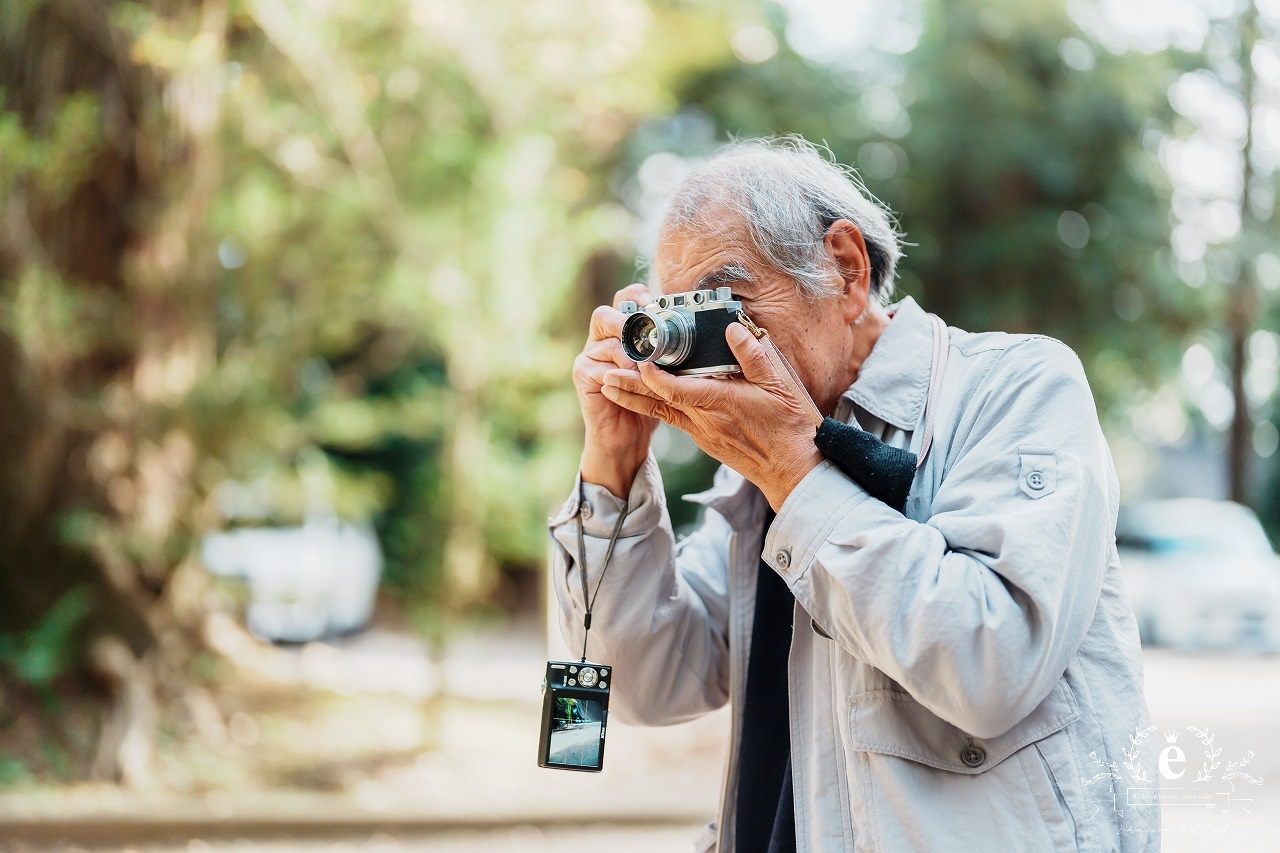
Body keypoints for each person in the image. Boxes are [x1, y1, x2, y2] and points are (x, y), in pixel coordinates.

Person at [549, 137, 1157, 852]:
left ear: (845, 267)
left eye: (729, 306)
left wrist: (797, 476)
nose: (712, 353)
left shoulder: (1014, 389)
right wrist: (612, 465)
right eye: (685, 319)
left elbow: (992, 662)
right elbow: (648, 685)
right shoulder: (758, 465)